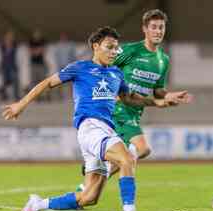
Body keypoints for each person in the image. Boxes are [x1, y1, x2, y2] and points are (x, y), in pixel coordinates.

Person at [3, 26, 190, 211]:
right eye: (109, 47)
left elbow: (129, 98)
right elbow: (47, 83)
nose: (114, 52)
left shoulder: (117, 74)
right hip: (90, 126)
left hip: (105, 129)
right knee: (127, 158)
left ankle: (38, 204)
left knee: (89, 197)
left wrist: (159, 102)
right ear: (96, 46)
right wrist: (20, 104)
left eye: (116, 48)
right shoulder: (80, 68)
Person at [77, 9, 193, 185]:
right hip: (119, 108)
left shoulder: (163, 59)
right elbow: (102, 63)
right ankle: (102, 178)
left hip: (136, 113)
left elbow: (158, 90)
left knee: (129, 154)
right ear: (145, 29)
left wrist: (169, 95)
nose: (158, 31)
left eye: (161, 27)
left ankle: (93, 176)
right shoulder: (130, 50)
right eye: (153, 27)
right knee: (142, 149)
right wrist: (105, 91)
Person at [0, 31, 19, 101]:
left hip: (12, 66)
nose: (8, 39)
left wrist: (11, 44)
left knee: (15, 81)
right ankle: (3, 95)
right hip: (5, 66)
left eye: (10, 38)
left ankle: (16, 96)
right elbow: (3, 55)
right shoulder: (3, 46)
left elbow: (14, 48)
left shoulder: (14, 45)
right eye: (7, 38)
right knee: (4, 82)